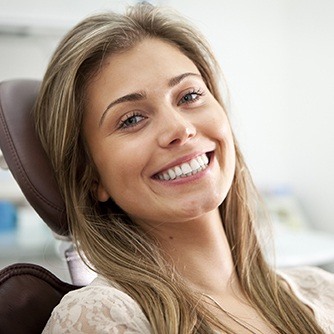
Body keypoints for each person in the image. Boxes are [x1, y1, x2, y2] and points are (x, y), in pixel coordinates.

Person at [34, 2, 333, 333]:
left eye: (189, 96)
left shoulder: (321, 291)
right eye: (132, 119)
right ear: (90, 177)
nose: (180, 128)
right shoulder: (100, 317)